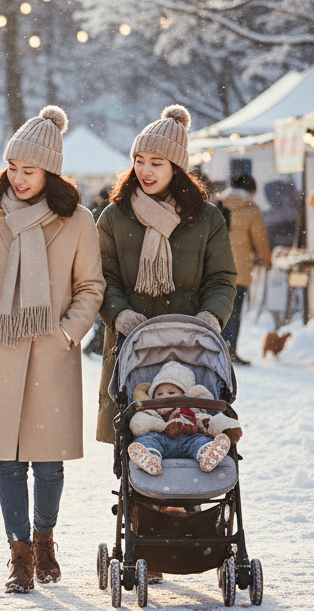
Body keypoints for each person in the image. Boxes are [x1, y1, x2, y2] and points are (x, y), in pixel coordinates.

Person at [0, 106, 105, 594]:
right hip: (2, 348)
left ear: (50, 172)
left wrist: (68, 332)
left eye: (29, 171)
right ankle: (19, 552)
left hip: (51, 352)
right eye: (13, 169)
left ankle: (45, 539)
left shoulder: (78, 220)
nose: (19, 179)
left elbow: (91, 286)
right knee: (9, 460)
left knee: (48, 461)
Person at [96, 105, 236, 449]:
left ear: (176, 167)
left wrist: (210, 317)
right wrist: (120, 314)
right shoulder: (115, 217)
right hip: (133, 347)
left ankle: (184, 494)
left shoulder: (206, 219)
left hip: (190, 345)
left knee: (192, 425)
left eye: (156, 163)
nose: (145, 170)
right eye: (139, 160)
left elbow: (221, 278)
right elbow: (102, 277)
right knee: (137, 428)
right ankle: (144, 497)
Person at [127, 362, 239, 475]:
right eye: (159, 394)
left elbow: (207, 421)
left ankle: (207, 454)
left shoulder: (193, 409)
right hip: (159, 441)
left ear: (184, 394)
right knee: (146, 440)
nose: (164, 396)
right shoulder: (149, 410)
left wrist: (226, 428)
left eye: (171, 392)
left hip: (189, 440)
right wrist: (164, 426)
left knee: (201, 440)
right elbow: (138, 424)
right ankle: (151, 458)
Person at [218, 174, 272, 365]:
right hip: (238, 270)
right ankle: (231, 349)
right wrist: (266, 259)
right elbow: (260, 239)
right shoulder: (251, 210)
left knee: (217, 309)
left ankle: (217, 350)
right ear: (251, 191)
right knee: (234, 311)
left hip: (214, 268)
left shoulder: (217, 203)